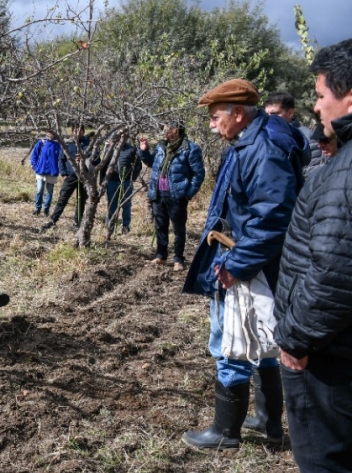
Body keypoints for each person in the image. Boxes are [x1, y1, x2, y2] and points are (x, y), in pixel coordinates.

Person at [182, 78, 305, 449]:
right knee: (260, 337)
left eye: (216, 116)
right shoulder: (252, 140)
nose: (211, 124)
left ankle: (225, 431)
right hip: (254, 257)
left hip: (249, 259)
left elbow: (271, 218)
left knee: (231, 339)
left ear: (238, 113)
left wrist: (235, 263)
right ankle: (267, 422)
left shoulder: (263, 148)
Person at [274, 39, 352, 471]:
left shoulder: (345, 173)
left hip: (329, 356)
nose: (317, 109)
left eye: (322, 96)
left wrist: (296, 338)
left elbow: (335, 270)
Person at [139, 120, 205, 272]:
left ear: (176, 130)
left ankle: (178, 259)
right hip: (158, 193)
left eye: (167, 129)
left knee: (178, 229)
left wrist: (188, 194)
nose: (164, 132)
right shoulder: (161, 146)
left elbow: (199, 174)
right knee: (160, 226)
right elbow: (152, 163)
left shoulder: (190, 148)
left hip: (177, 195)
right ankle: (161, 256)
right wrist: (144, 151)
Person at [41, 126, 89, 232]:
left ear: (83, 132)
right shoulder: (67, 144)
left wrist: (84, 158)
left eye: (80, 130)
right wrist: (63, 173)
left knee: (80, 201)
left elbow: (96, 160)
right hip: (70, 176)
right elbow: (61, 159)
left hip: (84, 177)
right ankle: (53, 221)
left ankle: (77, 223)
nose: (77, 132)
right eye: (75, 130)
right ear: (72, 132)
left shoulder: (88, 144)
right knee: (62, 199)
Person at [264, 91, 320, 167]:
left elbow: (313, 169)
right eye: (267, 114)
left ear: (290, 113)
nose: (270, 118)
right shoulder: (264, 136)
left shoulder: (307, 137)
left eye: (274, 114)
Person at [104, 139, 141, 235]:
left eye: (122, 136)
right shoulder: (110, 149)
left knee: (126, 204)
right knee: (112, 205)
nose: (120, 138)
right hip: (112, 181)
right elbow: (104, 165)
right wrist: (104, 180)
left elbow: (138, 165)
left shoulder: (131, 149)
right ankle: (110, 226)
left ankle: (125, 227)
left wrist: (132, 178)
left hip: (126, 182)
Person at [28, 131, 62, 216]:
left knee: (49, 192)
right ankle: (37, 208)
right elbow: (34, 155)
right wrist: (34, 165)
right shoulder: (41, 142)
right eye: (49, 132)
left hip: (52, 171)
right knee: (39, 190)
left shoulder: (58, 145)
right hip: (40, 170)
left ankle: (46, 209)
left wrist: (60, 169)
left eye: (52, 132)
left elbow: (61, 158)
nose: (50, 134)